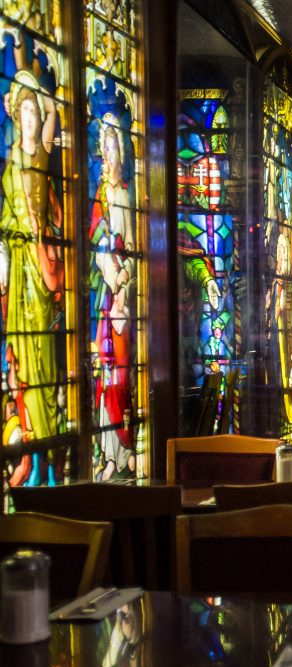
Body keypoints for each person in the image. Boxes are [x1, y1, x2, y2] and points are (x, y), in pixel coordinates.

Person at [0, 70, 63, 486]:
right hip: (17, 269)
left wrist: (50, 97)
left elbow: (54, 115)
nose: (28, 118)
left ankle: (49, 452)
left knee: (41, 355)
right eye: (21, 111)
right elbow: (5, 219)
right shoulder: (8, 167)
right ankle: (32, 450)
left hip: (41, 267)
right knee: (20, 359)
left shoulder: (41, 155)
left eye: (32, 111)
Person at [89, 114, 135, 479]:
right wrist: (111, 273)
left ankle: (125, 447)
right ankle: (108, 454)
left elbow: (132, 245)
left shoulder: (124, 194)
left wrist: (127, 273)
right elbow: (94, 243)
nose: (110, 155)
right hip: (106, 297)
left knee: (123, 372)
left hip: (123, 297)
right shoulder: (100, 197)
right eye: (106, 149)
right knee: (108, 374)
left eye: (115, 148)